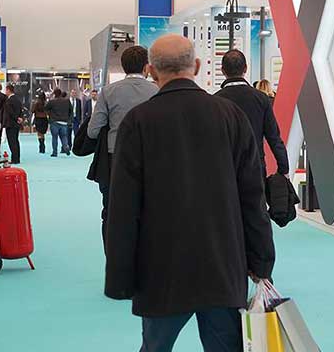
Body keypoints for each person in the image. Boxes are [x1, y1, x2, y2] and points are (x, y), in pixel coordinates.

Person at [105, 34, 275, 352]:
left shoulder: (137, 122)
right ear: (196, 66)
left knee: (154, 347)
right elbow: (252, 197)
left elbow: (124, 208)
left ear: (151, 71)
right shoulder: (231, 117)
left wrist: (120, 275)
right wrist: (261, 259)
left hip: (160, 268)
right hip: (223, 263)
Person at [88, 45, 158, 251]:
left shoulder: (108, 92)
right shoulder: (157, 91)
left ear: (123, 66)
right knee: (148, 212)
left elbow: (93, 131)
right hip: (150, 160)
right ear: (146, 67)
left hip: (114, 160)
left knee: (111, 212)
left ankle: (113, 258)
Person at [214, 50, 289, 179]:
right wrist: (284, 169)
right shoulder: (261, 99)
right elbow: (274, 138)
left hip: (225, 171)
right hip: (255, 169)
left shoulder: (215, 101)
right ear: (245, 68)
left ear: (222, 71)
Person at [44, 88, 73, 157]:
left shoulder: (52, 101)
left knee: (54, 137)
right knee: (64, 136)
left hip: (54, 122)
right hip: (64, 122)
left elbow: (45, 108)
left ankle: (55, 152)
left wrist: (50, 114)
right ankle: (66, 146)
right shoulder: (67, 101)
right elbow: (71, 110)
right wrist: (69, 120)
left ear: (54, 94)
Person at [3, 84, 23, 164]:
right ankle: (17, 158)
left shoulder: (9, 101)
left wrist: (16, 118)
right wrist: (20, 118)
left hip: (10, 124)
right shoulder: (17, 99)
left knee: (12, 142)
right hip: (16, 124)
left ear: (8, 90)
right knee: (16, 141)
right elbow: (20, 110)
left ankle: (14, 159)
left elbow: (10, 113)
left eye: (6, 90)